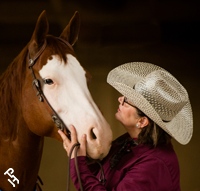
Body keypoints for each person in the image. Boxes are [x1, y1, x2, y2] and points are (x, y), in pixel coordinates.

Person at [58, 62, 193, 191]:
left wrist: (77, 163)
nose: (120, 99)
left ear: (142, 122)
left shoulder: (154, 164)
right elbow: (101, 177)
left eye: (127, 100)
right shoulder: (131, 142)